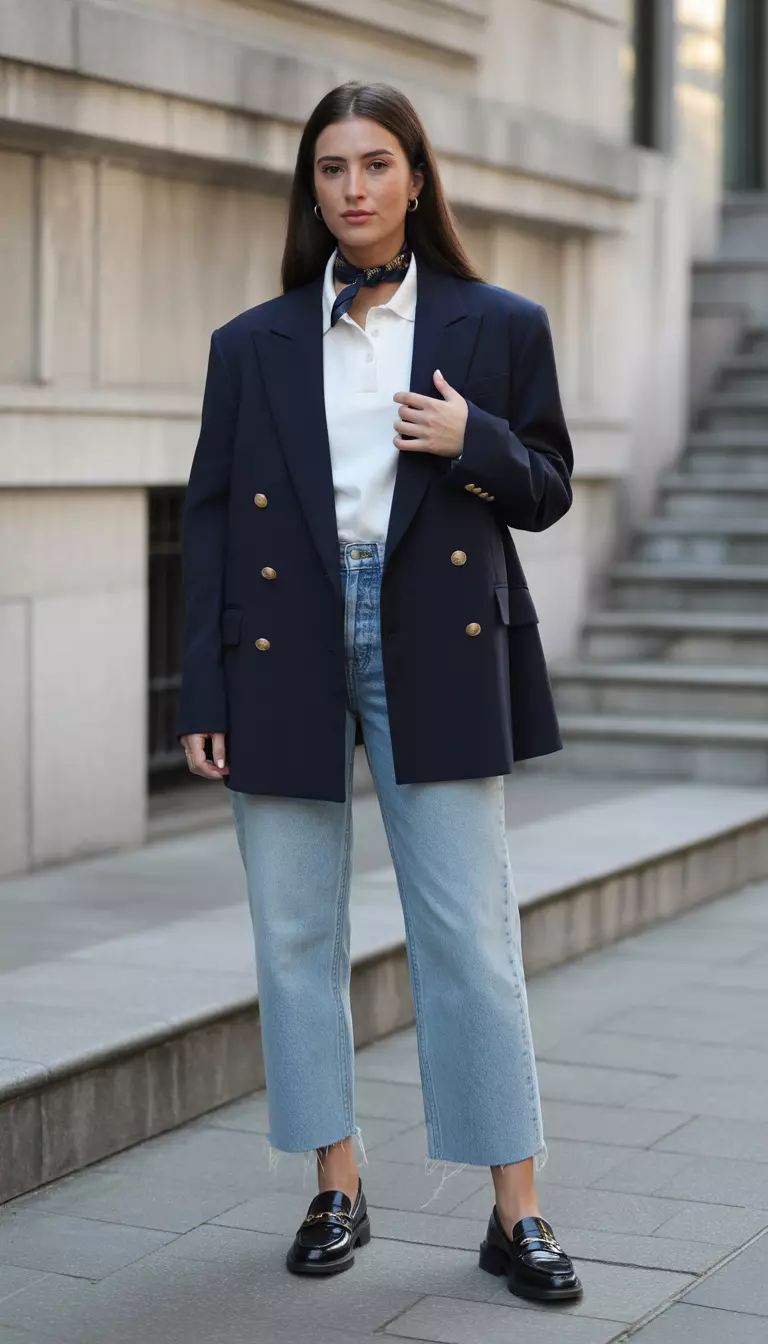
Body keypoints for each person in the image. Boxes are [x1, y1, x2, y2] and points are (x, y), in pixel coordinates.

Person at [177, 80, 582, 1304]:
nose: (353, 187)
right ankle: (336, 1184)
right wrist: (204, 682)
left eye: (376, 164)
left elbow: (551, 483)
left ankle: (517, 1215)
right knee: (296, 933)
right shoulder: (250, 345)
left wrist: (477, 444)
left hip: (435, 634)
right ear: (312, 186)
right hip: (284, 639)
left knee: (468, 932)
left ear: (416, 180)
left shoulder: (496, 323)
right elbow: (206, 523)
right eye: (332, 166)